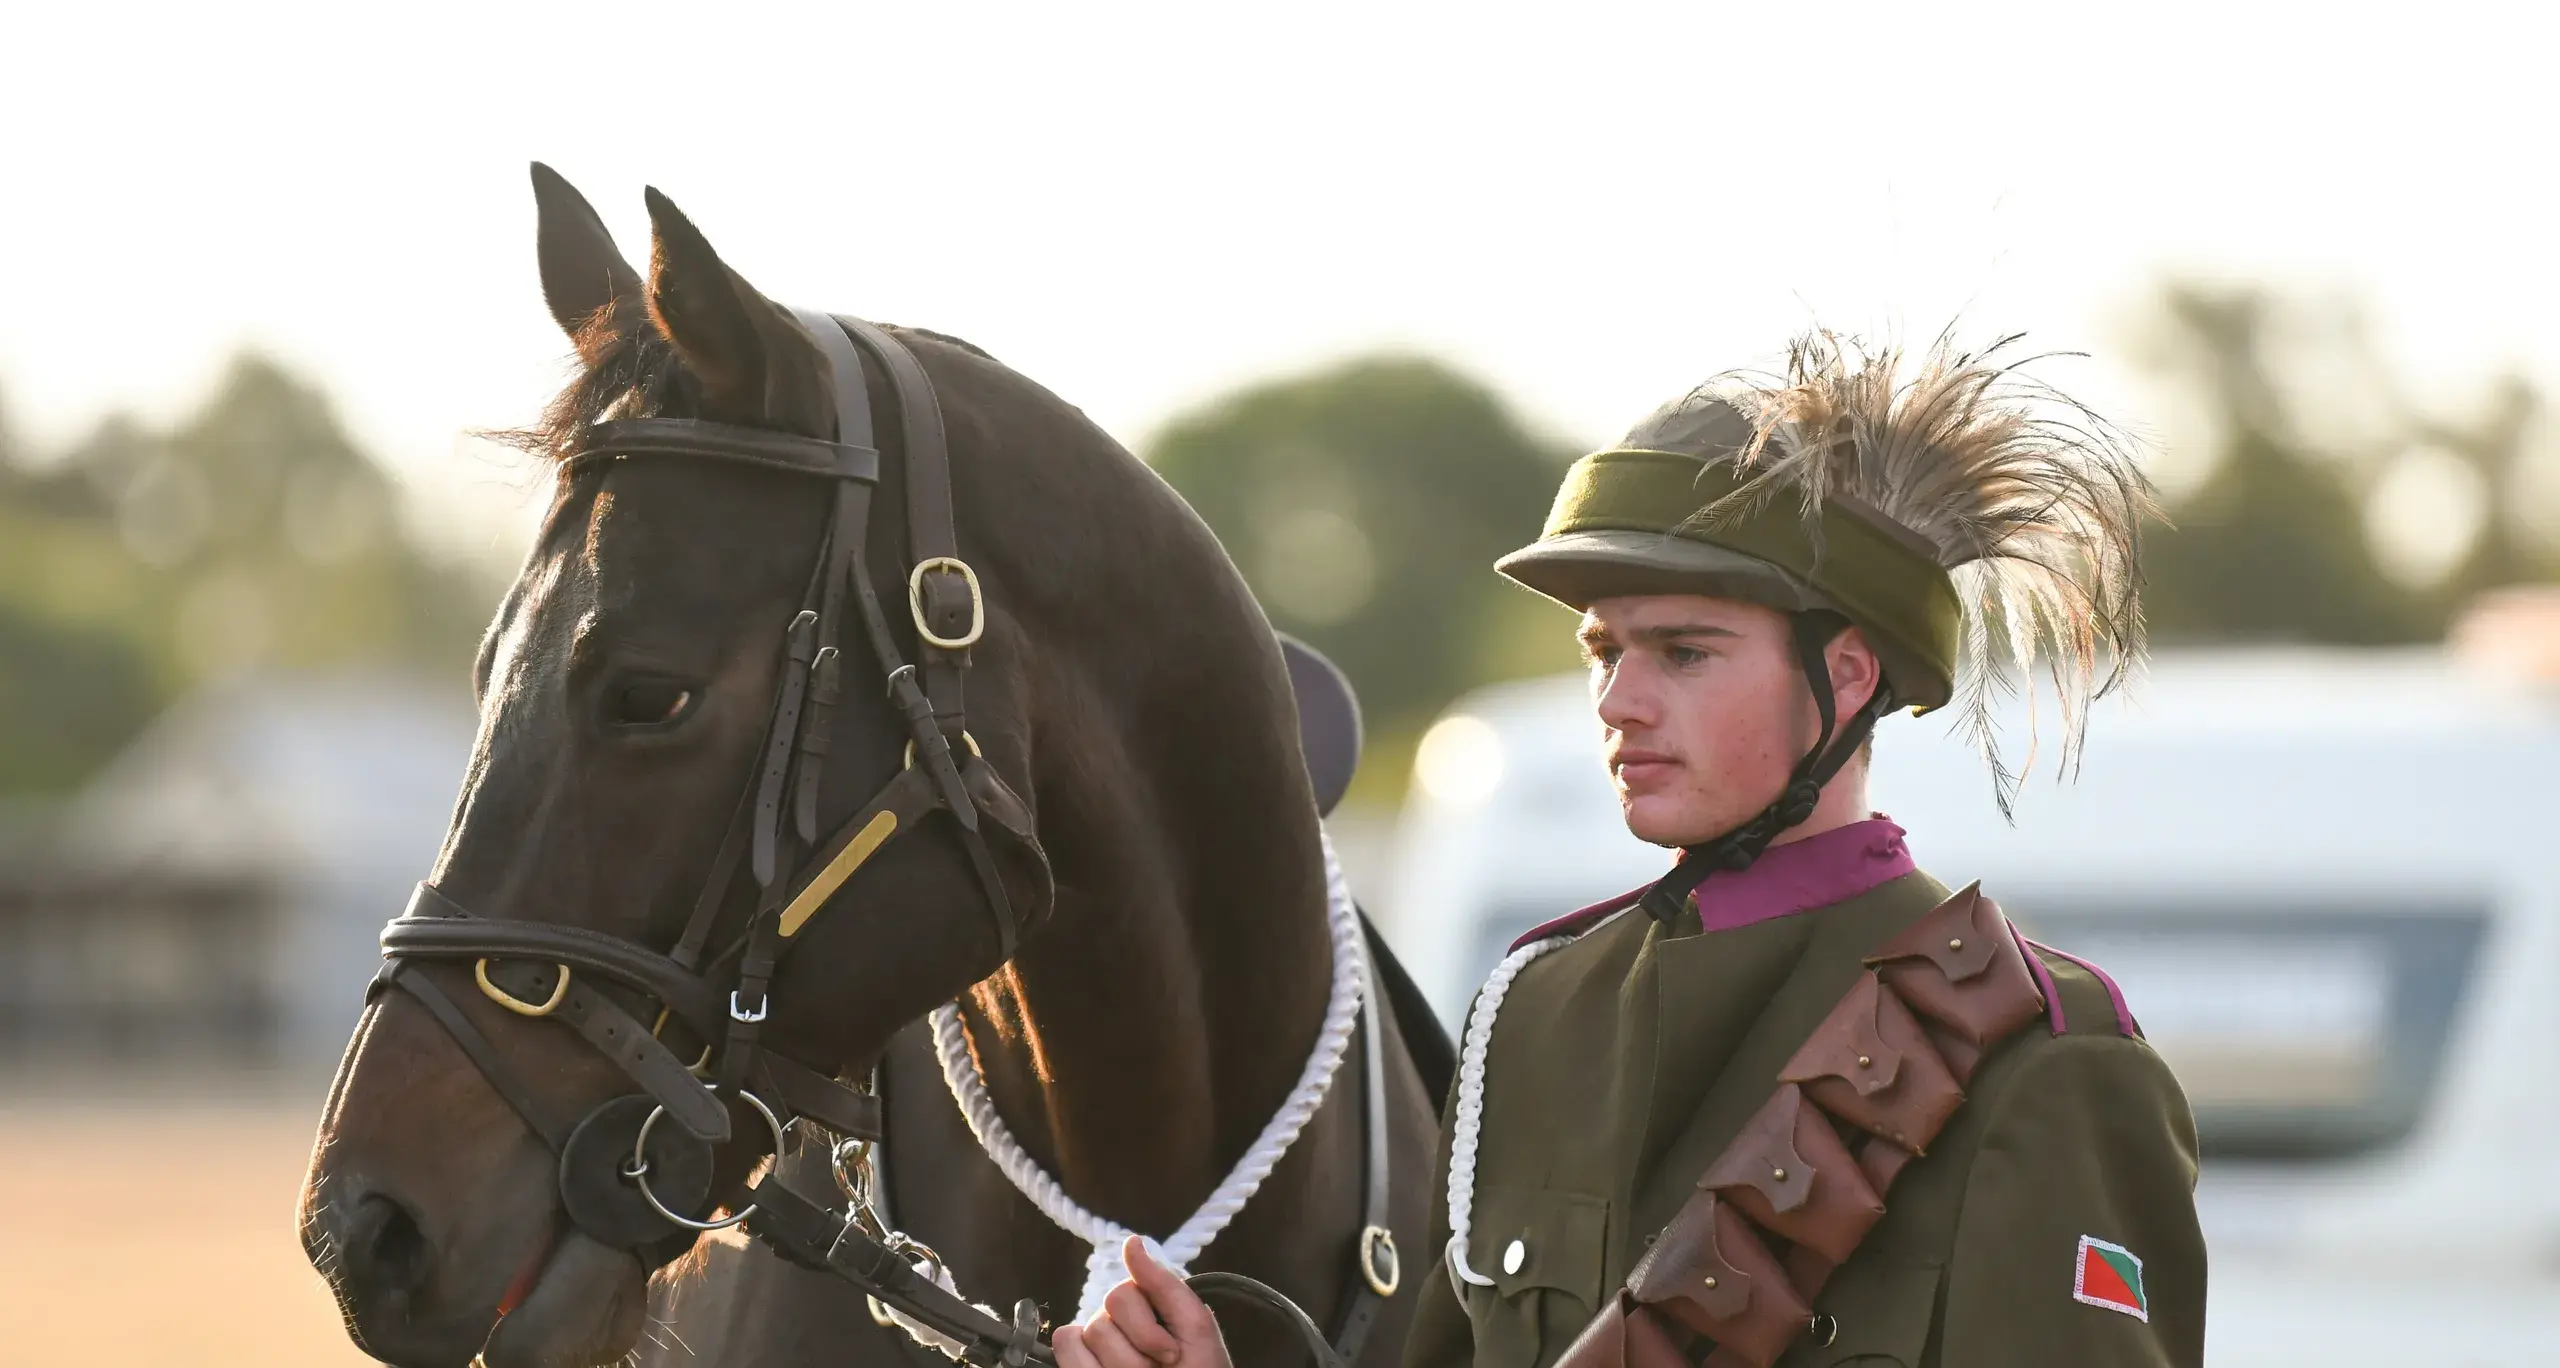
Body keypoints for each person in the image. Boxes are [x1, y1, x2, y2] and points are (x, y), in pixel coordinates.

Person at [1056, 332, 2203, 1368]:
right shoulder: (1537, 1014)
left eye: (1684, 653)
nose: (1618, 701)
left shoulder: (2038, 1060)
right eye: (1604, 651)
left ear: (1845, 676)